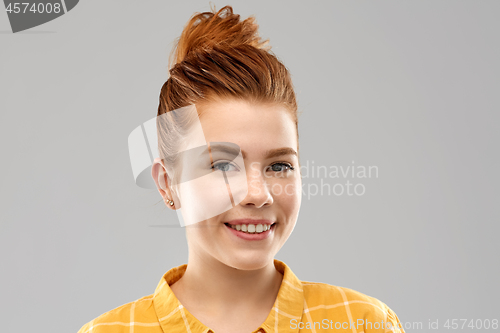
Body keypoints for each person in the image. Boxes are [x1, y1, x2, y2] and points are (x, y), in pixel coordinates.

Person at [78, 5, 405, 333]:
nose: (257, 194)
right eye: (221, 165)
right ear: (167, 183)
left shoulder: (363, 324)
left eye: (279, 166)